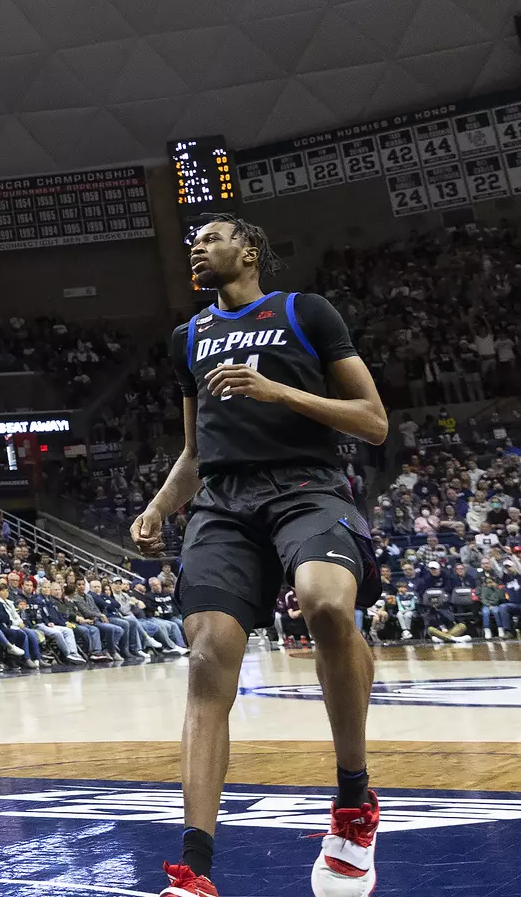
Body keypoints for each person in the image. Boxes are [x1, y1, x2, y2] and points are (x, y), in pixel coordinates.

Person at [131, 214, 388, 897]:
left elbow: (373, 418)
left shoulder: (306, 312)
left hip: (309, 486)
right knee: (209, 653)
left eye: (211, 237)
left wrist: (279, 391)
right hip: (223, 503)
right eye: (194, 241)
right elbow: (194, 451)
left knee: (327, 603)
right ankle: (195, 872)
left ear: (249, 252)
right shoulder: (187, 339)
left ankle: (354, 802)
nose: (197, 246)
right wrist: (160, 506)